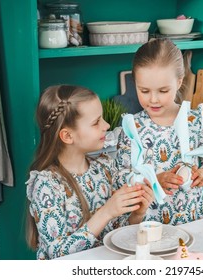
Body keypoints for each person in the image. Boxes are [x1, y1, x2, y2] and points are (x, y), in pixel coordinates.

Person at [26, 85, 153, 259]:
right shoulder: (47, 184)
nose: (106, 125)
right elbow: (56, 253)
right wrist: (106, 212)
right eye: (96, 122)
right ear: (67, 136)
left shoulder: (105, 167)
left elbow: (118, 233)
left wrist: (136, 215)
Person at [116, 39, 203, 225]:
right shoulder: (133, 127)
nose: (154, 99)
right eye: (144, 91)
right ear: (135, 83)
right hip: (150, 222)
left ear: (179, 82)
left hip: (191, 218)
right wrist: (153, 181)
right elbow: (120, 175)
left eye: (163, 90)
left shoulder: (195, 121)